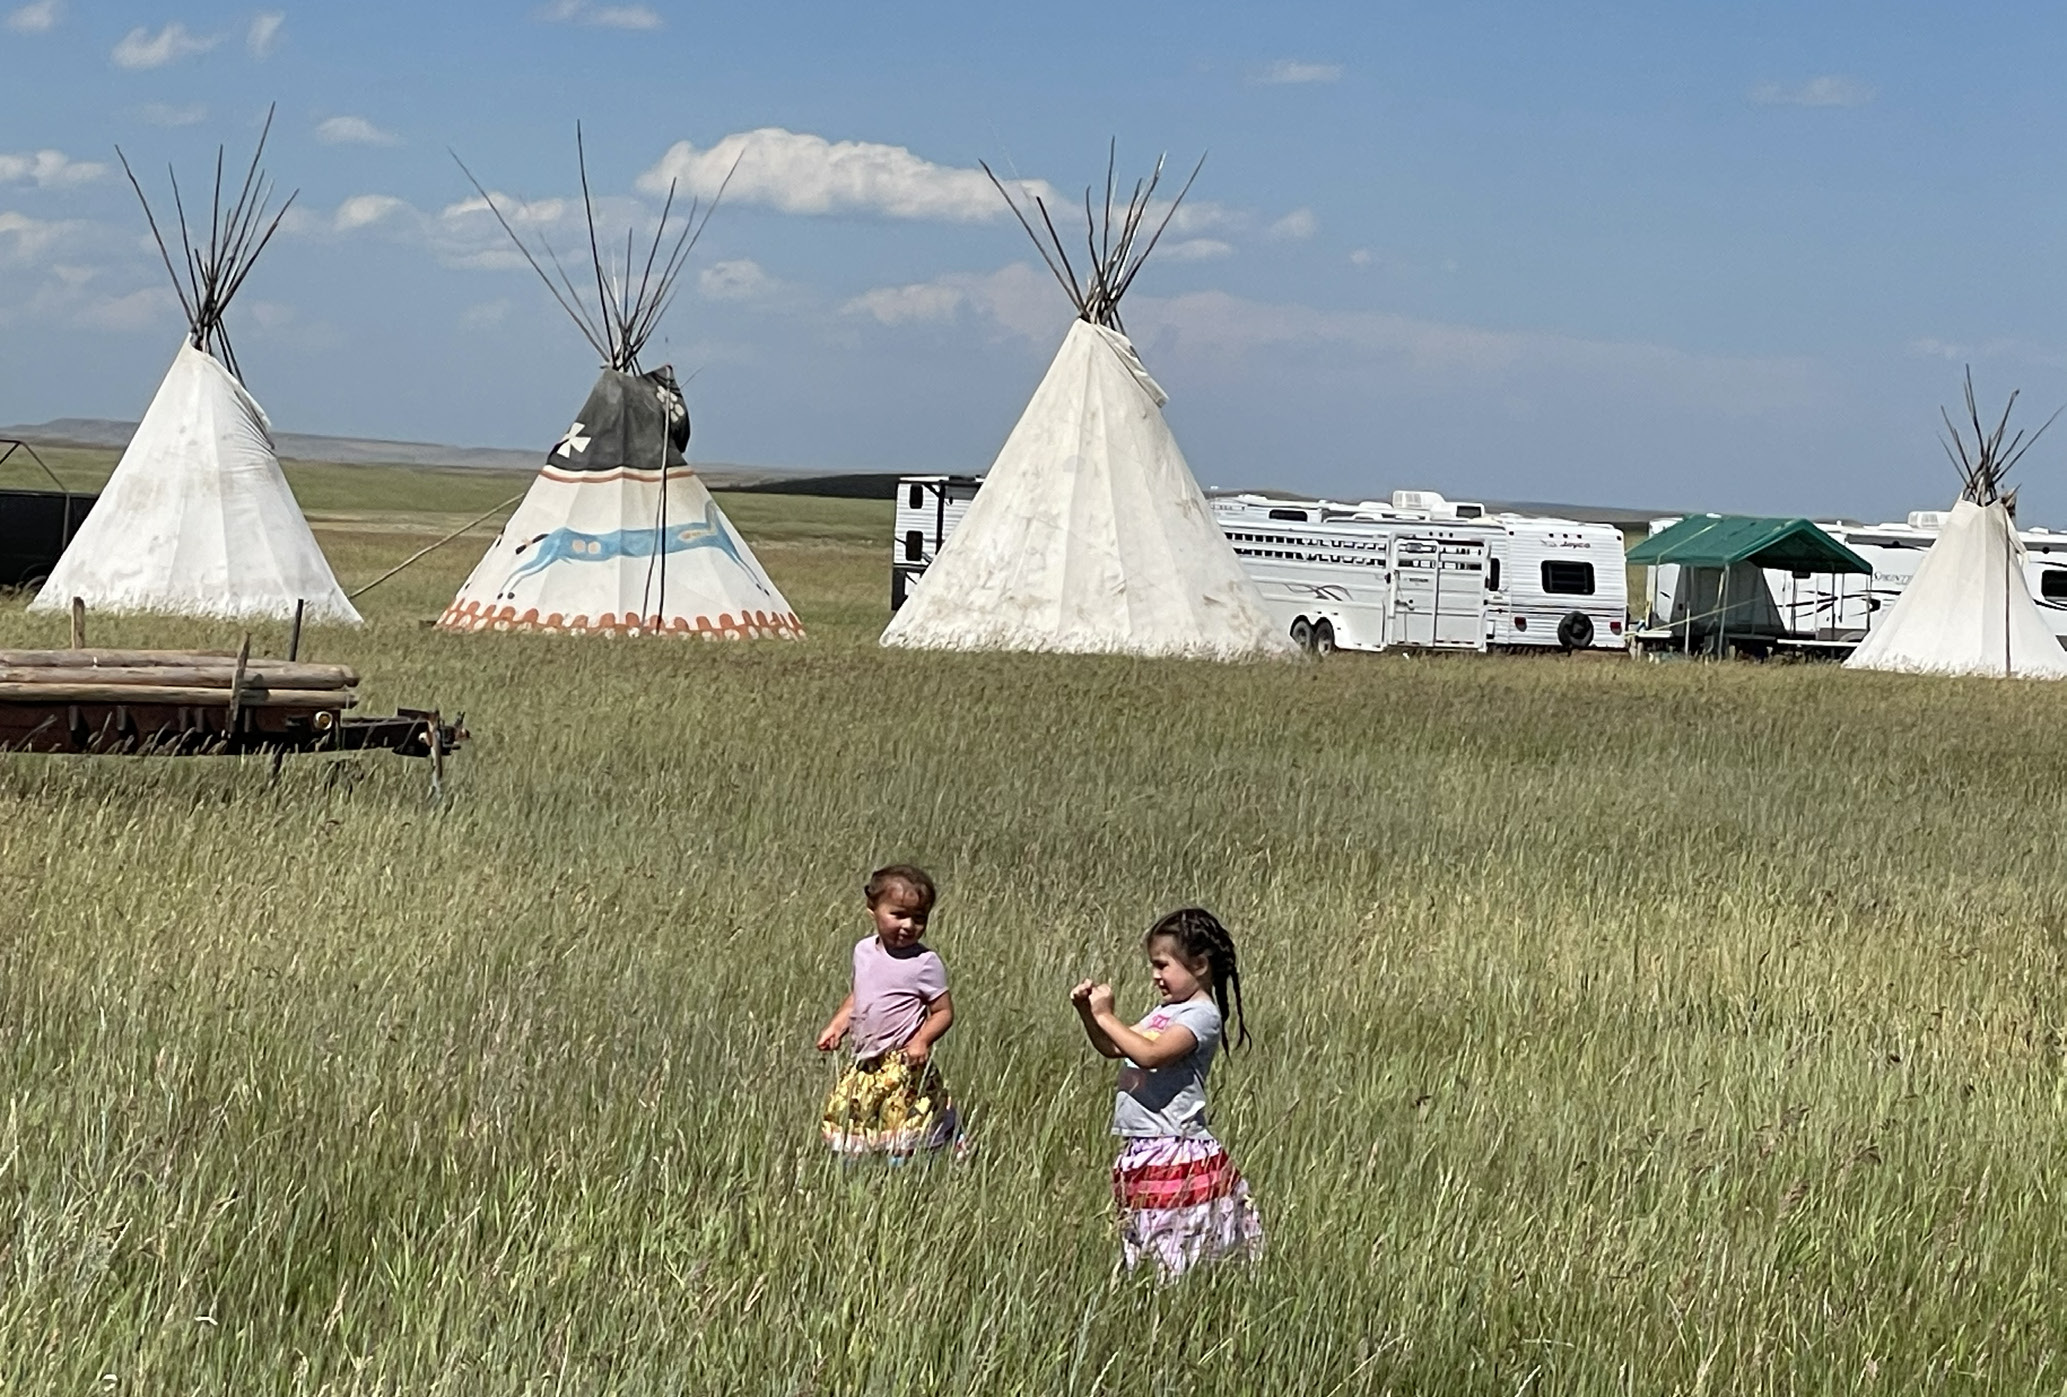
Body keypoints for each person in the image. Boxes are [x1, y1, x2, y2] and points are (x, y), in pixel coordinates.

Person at [1071, 907, 1263, 1278]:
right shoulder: (1167, 1011)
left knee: (1174, 1250)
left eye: (1163, 965)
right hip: (1145, 1147)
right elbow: (1114, 1048)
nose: (1156, 976)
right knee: (1149, 1246)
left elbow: (1149, 1054)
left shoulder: (1201, 1016)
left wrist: (1107, 1015)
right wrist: (1089, 1015)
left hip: (1174, 1148)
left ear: (1200, 965)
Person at [817, 864, 960, 1157]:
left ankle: (905, 1174)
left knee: (903, 1128)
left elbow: (943, 1012)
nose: (909, 925)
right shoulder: (864, 951)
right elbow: (860, 995)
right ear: (873, 910)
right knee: (854, 1123)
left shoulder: (924, 963)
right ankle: (858, 1175)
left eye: (919, 918)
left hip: (901, 1065)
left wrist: (921, 1040)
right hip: (865, 1064)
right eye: (898, 915)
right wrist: (837, 1025)